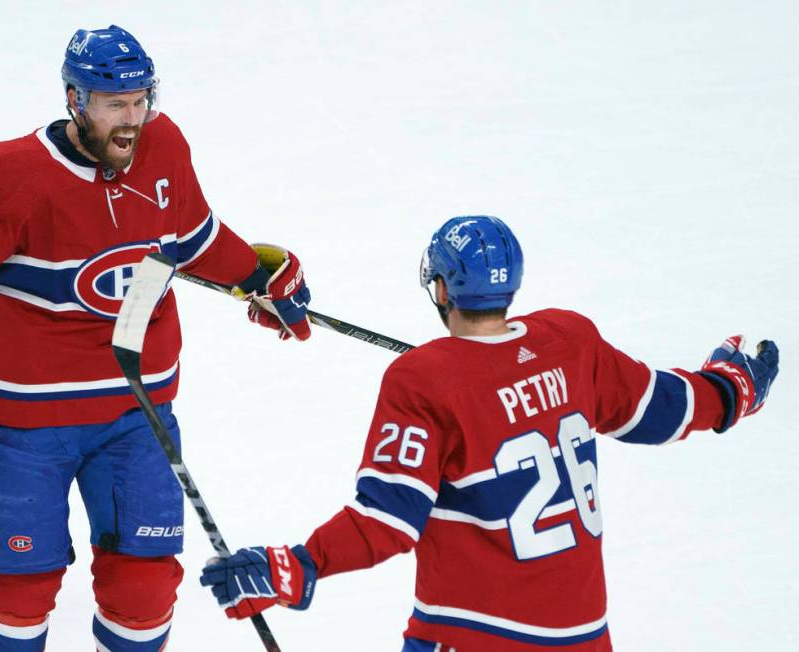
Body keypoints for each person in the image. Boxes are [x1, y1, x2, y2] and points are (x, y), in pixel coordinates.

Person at [0, 25, 311, 652]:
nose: (133, 119)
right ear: (74, 99)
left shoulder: (163, 147)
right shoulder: (8, 177)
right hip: (27, 427)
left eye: (142, 100)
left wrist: (256, 277)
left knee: (144, 589)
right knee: (20, 591)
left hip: (137, 414)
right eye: (115, 104)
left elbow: (193, 241)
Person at [200, 216, 779, 651]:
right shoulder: (569, 342)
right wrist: (731, 390)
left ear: (443, 291)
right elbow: (661, 408)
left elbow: (389, 519)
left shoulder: (423, 380)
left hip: (473, 634)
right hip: (585, 635)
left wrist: (296, 565)